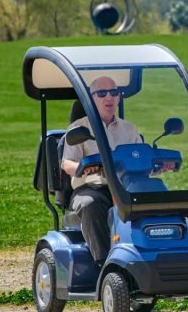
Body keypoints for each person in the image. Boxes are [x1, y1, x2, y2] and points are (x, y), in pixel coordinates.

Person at [61, 76, 142, 263]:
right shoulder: (78, 128)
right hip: (91, 187)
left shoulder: (129, 129)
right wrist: (85, 167)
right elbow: (67, 163)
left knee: (153, 196)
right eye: (102, 93)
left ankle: (154, 253)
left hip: (125, 186)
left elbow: (140, 158)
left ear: (119, 98)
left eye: (114, 93)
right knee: (90, 204)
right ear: (91, 98)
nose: (109, 98)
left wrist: (160, 166)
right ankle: (105, 263)